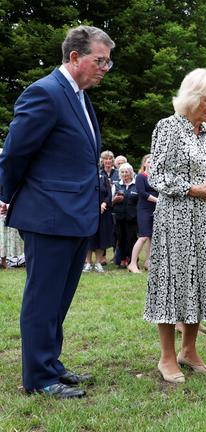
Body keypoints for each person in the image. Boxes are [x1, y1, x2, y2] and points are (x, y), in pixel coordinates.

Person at [0, 25, 114, 398]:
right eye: (100, 60)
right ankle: (38, 378)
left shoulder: (79, 97)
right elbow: (15, 153)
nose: (105, 68)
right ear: (74, 57)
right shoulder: (45, 92)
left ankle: (51, 364)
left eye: (108, 63)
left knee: (58, 299)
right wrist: (5, 194)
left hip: (75, 215)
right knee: (43, 299)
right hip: (47, 215)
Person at [143, 68, 206, 384]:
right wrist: (195, 190)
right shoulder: (167, 127)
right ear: (191, 98)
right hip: (176, 219)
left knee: (201, 280)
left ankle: (189, 351)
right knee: (172, 282)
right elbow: (157, 176)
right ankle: (166, 357)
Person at [84, 154, 115, 273]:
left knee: (102, 237)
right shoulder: (86, 177)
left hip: (103, 213)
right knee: (89, 237)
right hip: (89, 212)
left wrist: (104, 203)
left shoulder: (103, 177)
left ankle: (98, 263)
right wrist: (94, 206)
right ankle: (88, 263)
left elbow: (109, 194)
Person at [127, 155, 158, 273]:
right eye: (148, 161)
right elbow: (142, 193)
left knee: (152, 237)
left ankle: (148, 263)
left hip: (156, 209)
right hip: (144, 209)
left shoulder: (157, 177)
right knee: (143, 236)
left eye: (153, 161)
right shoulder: (140, 177)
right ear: (144, 164)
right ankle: (132, 263)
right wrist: (158, 200)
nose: (151, 163)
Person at [112, 163, 138, 270]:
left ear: (131, 173)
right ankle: (122, 260)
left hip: (133, 217)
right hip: (119, 217)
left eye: (126, 172)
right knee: (121, 239)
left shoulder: (136, 185)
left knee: (132, 239)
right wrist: (115, 200)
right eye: (122, 172)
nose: (124, 174)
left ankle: (133, 260)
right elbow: (110, 201)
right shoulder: (116, 185)